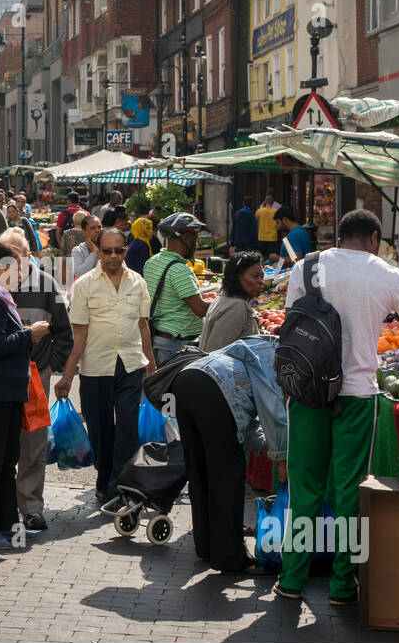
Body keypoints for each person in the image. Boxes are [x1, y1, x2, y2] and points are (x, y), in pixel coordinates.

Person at [274, 209, 399, 606]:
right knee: (348, 490)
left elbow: (290, 329)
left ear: (340, 237)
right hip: (357, 394)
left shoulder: (306, 268)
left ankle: (292, 580)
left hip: (307, 394)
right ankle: (343, 585)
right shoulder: (387, 275)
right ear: (374, 238)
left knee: (304, 488)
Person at [57, 227, 156, 502]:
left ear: (126, 249)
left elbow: (143, 324)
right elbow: (79, 335)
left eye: (119, 250)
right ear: (97, 250)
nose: (113, 256)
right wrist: (67, 377)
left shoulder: (138, 281)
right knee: (101, 430)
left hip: (130, 363)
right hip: (95, 367)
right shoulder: (85, 284)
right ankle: (105, 479)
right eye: (107, 250)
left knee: (127, 426)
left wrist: (151, 364)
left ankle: (118, 486)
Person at [173, 335, 286, 574]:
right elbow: (272, 411)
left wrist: (266, 447)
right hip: (213, 390)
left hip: (186, 380)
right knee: (229, 475)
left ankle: (206, 547)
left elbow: (249, 416)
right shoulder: (276, 357)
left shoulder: (255, 343)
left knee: (200, 469)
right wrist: (281, 458)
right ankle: (230, 558)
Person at [0, 242, 50, 549]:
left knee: (6, 463)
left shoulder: (0, 298)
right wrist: (30, 334)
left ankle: (7, 524)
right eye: (18, 270)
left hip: (6, 392)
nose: (21, 276)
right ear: (0, 269)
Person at [0, 228, 73, 532]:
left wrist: (49, 364)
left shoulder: (46, 284)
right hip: (1, 373)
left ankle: (30, 507)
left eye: (16, 254)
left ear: (28, 255)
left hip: (34, 375)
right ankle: (2, 505)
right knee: (1, 441)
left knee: (33, 443)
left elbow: (64, 334)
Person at [143, 212, 211, 364]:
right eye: (195, 238)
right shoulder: (180, 270)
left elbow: (170, 296)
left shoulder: (153, 262)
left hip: (159, 338)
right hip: (176, 346)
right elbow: (200, 309)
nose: (197, 243)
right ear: (186, 236)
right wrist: (224, 302)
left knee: (162, 386)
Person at [199, 251, 263, 352]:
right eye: (255, 276)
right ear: (237, 277)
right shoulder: (237, 307)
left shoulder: (223, 299)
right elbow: (217, 353)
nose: (261, 281)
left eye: (262, 277)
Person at [69, 213, 103, 279]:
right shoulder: (78, 250)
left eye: (99, 227)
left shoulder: (110, 247)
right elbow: (79, 274)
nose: (97, 230)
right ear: (84, 232)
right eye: (93, 228)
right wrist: (94, 253)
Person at [255, 193, 279, 258]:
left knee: (261, 256)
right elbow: (278, 223)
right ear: (273, 203)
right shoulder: (276, 211)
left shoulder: (259, 211)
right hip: (272, 237)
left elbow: (256, 220)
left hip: (262, 237)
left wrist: (262, 207)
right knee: (272, 257)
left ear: (265, 202)